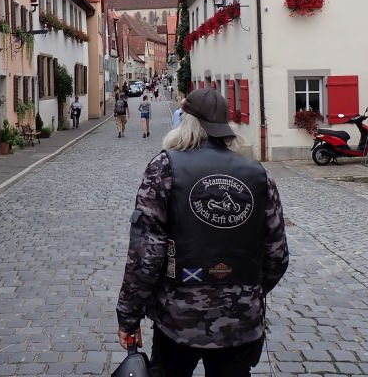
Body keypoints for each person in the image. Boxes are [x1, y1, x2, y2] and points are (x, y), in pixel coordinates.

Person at [116, 88, 289, 377]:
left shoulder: (164, 168)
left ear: (187, 122)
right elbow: (277, 255)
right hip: (239, 322)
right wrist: (245, 291)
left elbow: (146, 255)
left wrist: (129, 315)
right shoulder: (259, 174)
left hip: (178, 319)